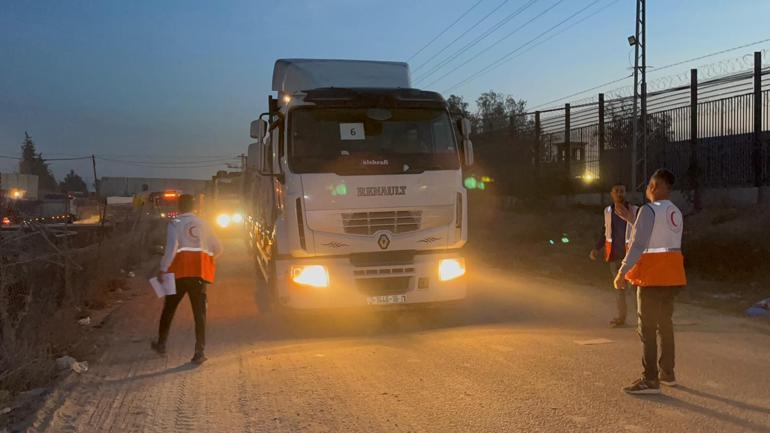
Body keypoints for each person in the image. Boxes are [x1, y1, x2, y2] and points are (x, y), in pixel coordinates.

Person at [614, 169, 686, 394]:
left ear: (653, 186)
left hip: (651, 277)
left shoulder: (648, 210)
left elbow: (638, 244)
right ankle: (667, 373)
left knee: (647, 328)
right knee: (665, 325)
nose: (647, 190)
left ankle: (650, 379)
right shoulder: (675, 212)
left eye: (648, 187)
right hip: (672, 277)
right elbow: (658, 234)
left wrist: (622, 272)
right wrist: (631, 219)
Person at [152, 194, 223, 364]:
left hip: (177, 274)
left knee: (169, 309)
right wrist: (206, 259)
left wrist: (163, 269)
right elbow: (218, 248)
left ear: (179, 206)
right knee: (199, 314)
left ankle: (161, 344)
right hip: (198, 274)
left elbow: (171, 249)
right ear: (194, 207)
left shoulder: (174, 223)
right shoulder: (205, 224)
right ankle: (199, 351)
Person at [590, 183, 638, 328]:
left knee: (634, 290)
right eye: (616, 191)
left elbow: (640, 231)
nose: (619, 193)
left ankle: (643, 320)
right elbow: (606, 232)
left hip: (630, 257)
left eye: (622, 191)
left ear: (625, 193)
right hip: (614, 256)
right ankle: (621, 318)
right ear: (611, 193)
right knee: (619, 289)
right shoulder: (608, 211)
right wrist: (597, 248)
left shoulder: (634, 210)